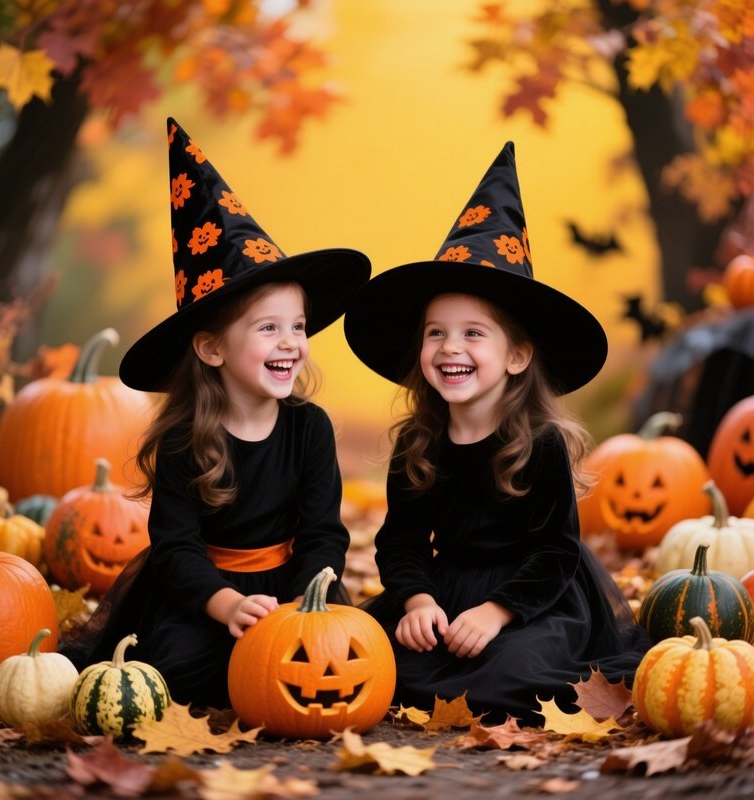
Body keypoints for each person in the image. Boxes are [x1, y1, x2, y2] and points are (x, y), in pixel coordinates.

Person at [60, 118, 371, 710]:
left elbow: (323, 533)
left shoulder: (309, 428)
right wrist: (225, 604)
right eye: (268, 328)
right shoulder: (186, 439)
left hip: (292, 590)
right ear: (211, 349)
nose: (291, 342)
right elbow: (176, 548)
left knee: (330, 660)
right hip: (203, 593)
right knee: (176, 668)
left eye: (298, 326)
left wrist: (304, 601)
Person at [343, 142, 649, 725]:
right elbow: (402, 540)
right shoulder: (419, 444)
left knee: (517, 677)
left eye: (473, 334)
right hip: (448, 589)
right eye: (436, 333)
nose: (450, 348)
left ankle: (507, 665)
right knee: (370, 658)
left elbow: (556, 551)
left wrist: (497, 612)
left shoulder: (539, 442)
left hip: (534, 598)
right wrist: (417, 601)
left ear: (517, 356)